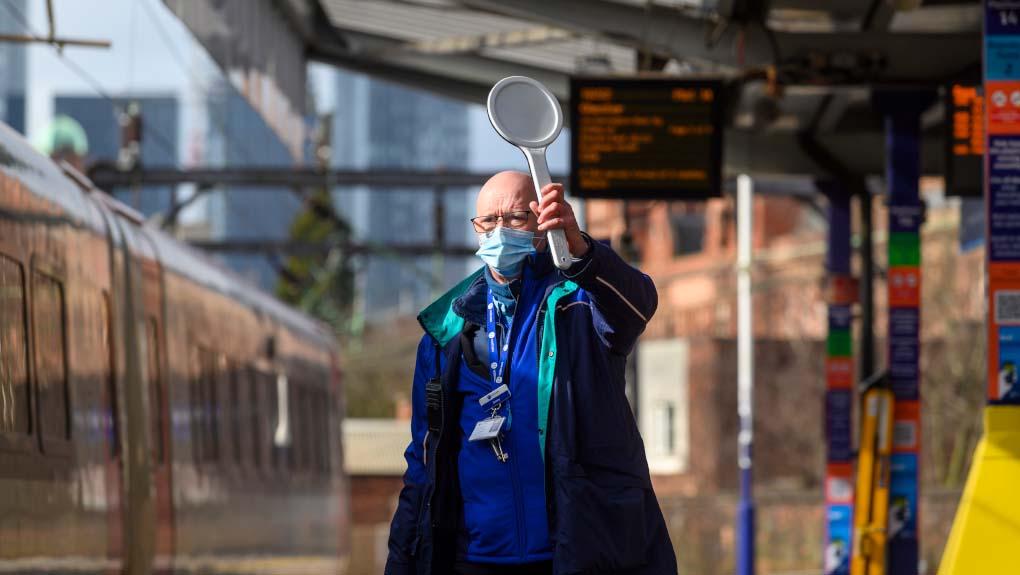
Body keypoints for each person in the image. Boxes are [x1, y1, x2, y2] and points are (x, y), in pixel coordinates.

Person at [385, 171, 677, 575]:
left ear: (543, 224)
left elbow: (639, 304)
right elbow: (423, 463)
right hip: (473, 560)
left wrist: (582, 252)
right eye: (489, 221)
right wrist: (401, 562)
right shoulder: (444, 333)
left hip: (573, 554)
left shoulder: (579, 305)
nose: (500, 230)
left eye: (516, 218)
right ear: (476, 229)